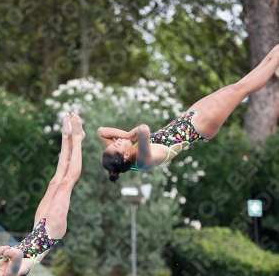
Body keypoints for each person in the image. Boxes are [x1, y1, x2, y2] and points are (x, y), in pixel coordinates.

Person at [99, 45, 279, 183]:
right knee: (241, 89)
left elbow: (102, 131)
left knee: (234, 87)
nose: (118, 140)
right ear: (126, 156)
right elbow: (144, 130)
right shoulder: (144, 161)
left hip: (187, 119)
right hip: (198, 127)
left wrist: (127, 137)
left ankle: (273, 54)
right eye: (117, 145)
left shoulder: (126, 160)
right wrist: (131, 135)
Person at [0, 113, 85, 276]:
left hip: (37, 230)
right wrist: (4, 252)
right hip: (50, 234)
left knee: (55, 182)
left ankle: (66, 137)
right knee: (66, 183)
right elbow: (16, 254)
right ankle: (78, 138)